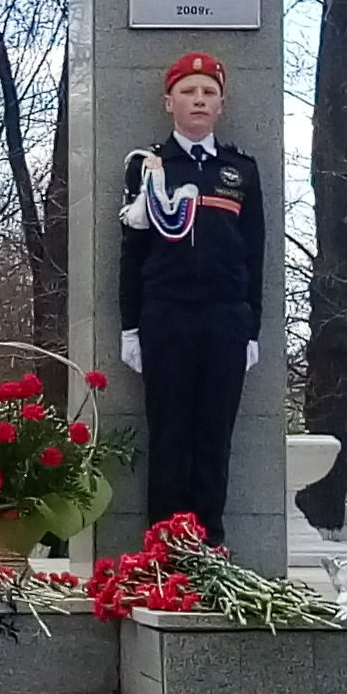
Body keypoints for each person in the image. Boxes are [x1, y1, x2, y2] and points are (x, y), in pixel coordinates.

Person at [118, 50, 264, 547]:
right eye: (188, 91)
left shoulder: (241, 170)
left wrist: (252, 328)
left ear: (221, 104)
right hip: (167, 317)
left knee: (213, 440)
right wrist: (130, 327)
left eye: (208, 92)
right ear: (169, 102)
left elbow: (256, 254)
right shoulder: (149, 167)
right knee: (170, 436)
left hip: (225, 320)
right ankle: (164, 551)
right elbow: (131, 253)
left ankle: (210, 548)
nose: (199, 100)